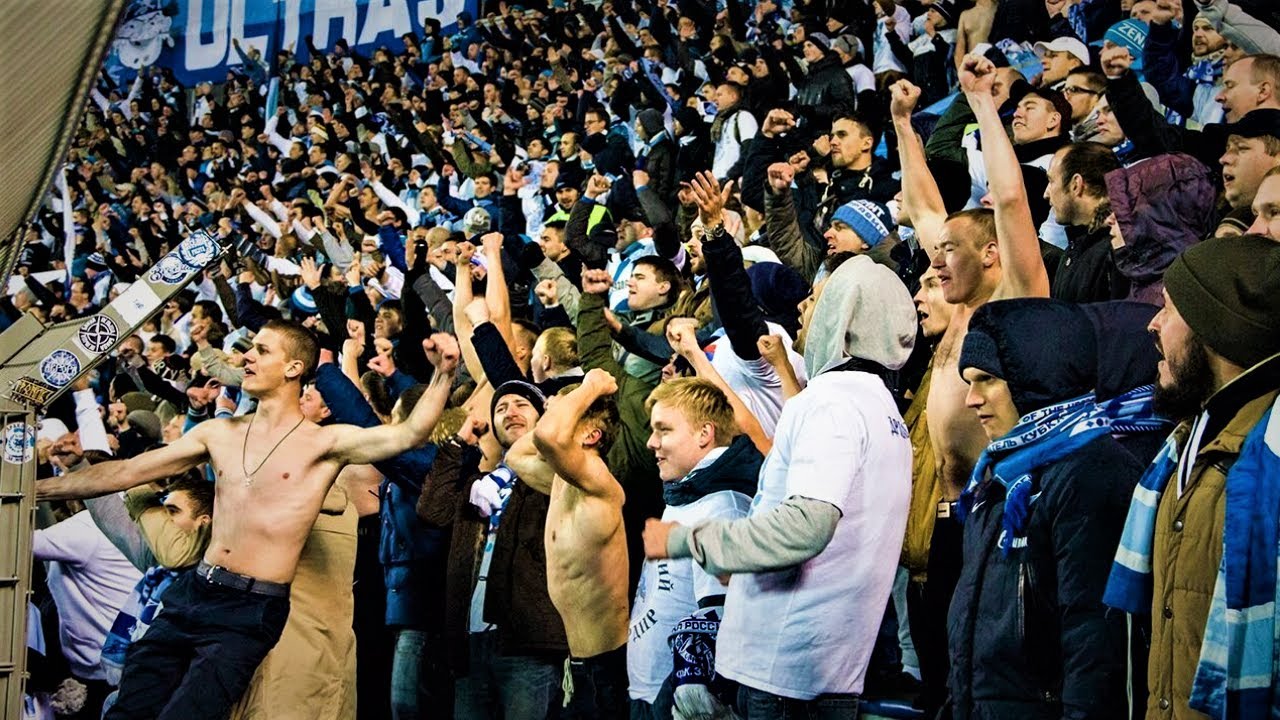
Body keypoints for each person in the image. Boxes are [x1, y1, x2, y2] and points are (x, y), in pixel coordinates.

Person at [37, 321, 461, 719]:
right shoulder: (217, 434)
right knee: (130, 707)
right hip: (195, 591)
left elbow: (406, 436)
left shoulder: (325, 443)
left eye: (261, 350)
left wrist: (443, 374)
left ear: (294, 367)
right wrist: (36, 491)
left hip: (250, 608)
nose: (246, 359)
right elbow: (127, 472)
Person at [644, 253, 917, 719]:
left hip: (784, 670)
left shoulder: (831, 402)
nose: (804, 310)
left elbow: (808, 526)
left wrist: (691, 540)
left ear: (843, 318)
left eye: (817, 301)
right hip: (828, 667)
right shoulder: (886, 413)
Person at [1105, 235, 1280, 719]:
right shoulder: (1186, 445)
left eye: (1168, 306)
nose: (1153, 324)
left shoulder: (1265, 460)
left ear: (1215, 327)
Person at [949, 298, 1143, 719]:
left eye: (986, 380)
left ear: (1034, 379)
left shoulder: (1090, 474)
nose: (971, 399)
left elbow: (1093, 641)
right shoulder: (1001, 476)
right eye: (969, 381)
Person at [629, 377, 760, 719]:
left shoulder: (723, 508)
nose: (650, 442)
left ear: (705, 433)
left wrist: (669, 699)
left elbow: (716, 627)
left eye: (664, 430)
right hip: (650, 693)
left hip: (671, 703)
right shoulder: (688, 492)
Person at [506, 369, 630, 718]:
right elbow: (516, 455)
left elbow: (548, 437)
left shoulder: (599, 484)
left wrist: (591, 387)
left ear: (591, 435)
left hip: (610, 667)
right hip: (578, 662)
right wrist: (563, 407)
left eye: (567, 417)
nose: (553, 415)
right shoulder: (563, 483)